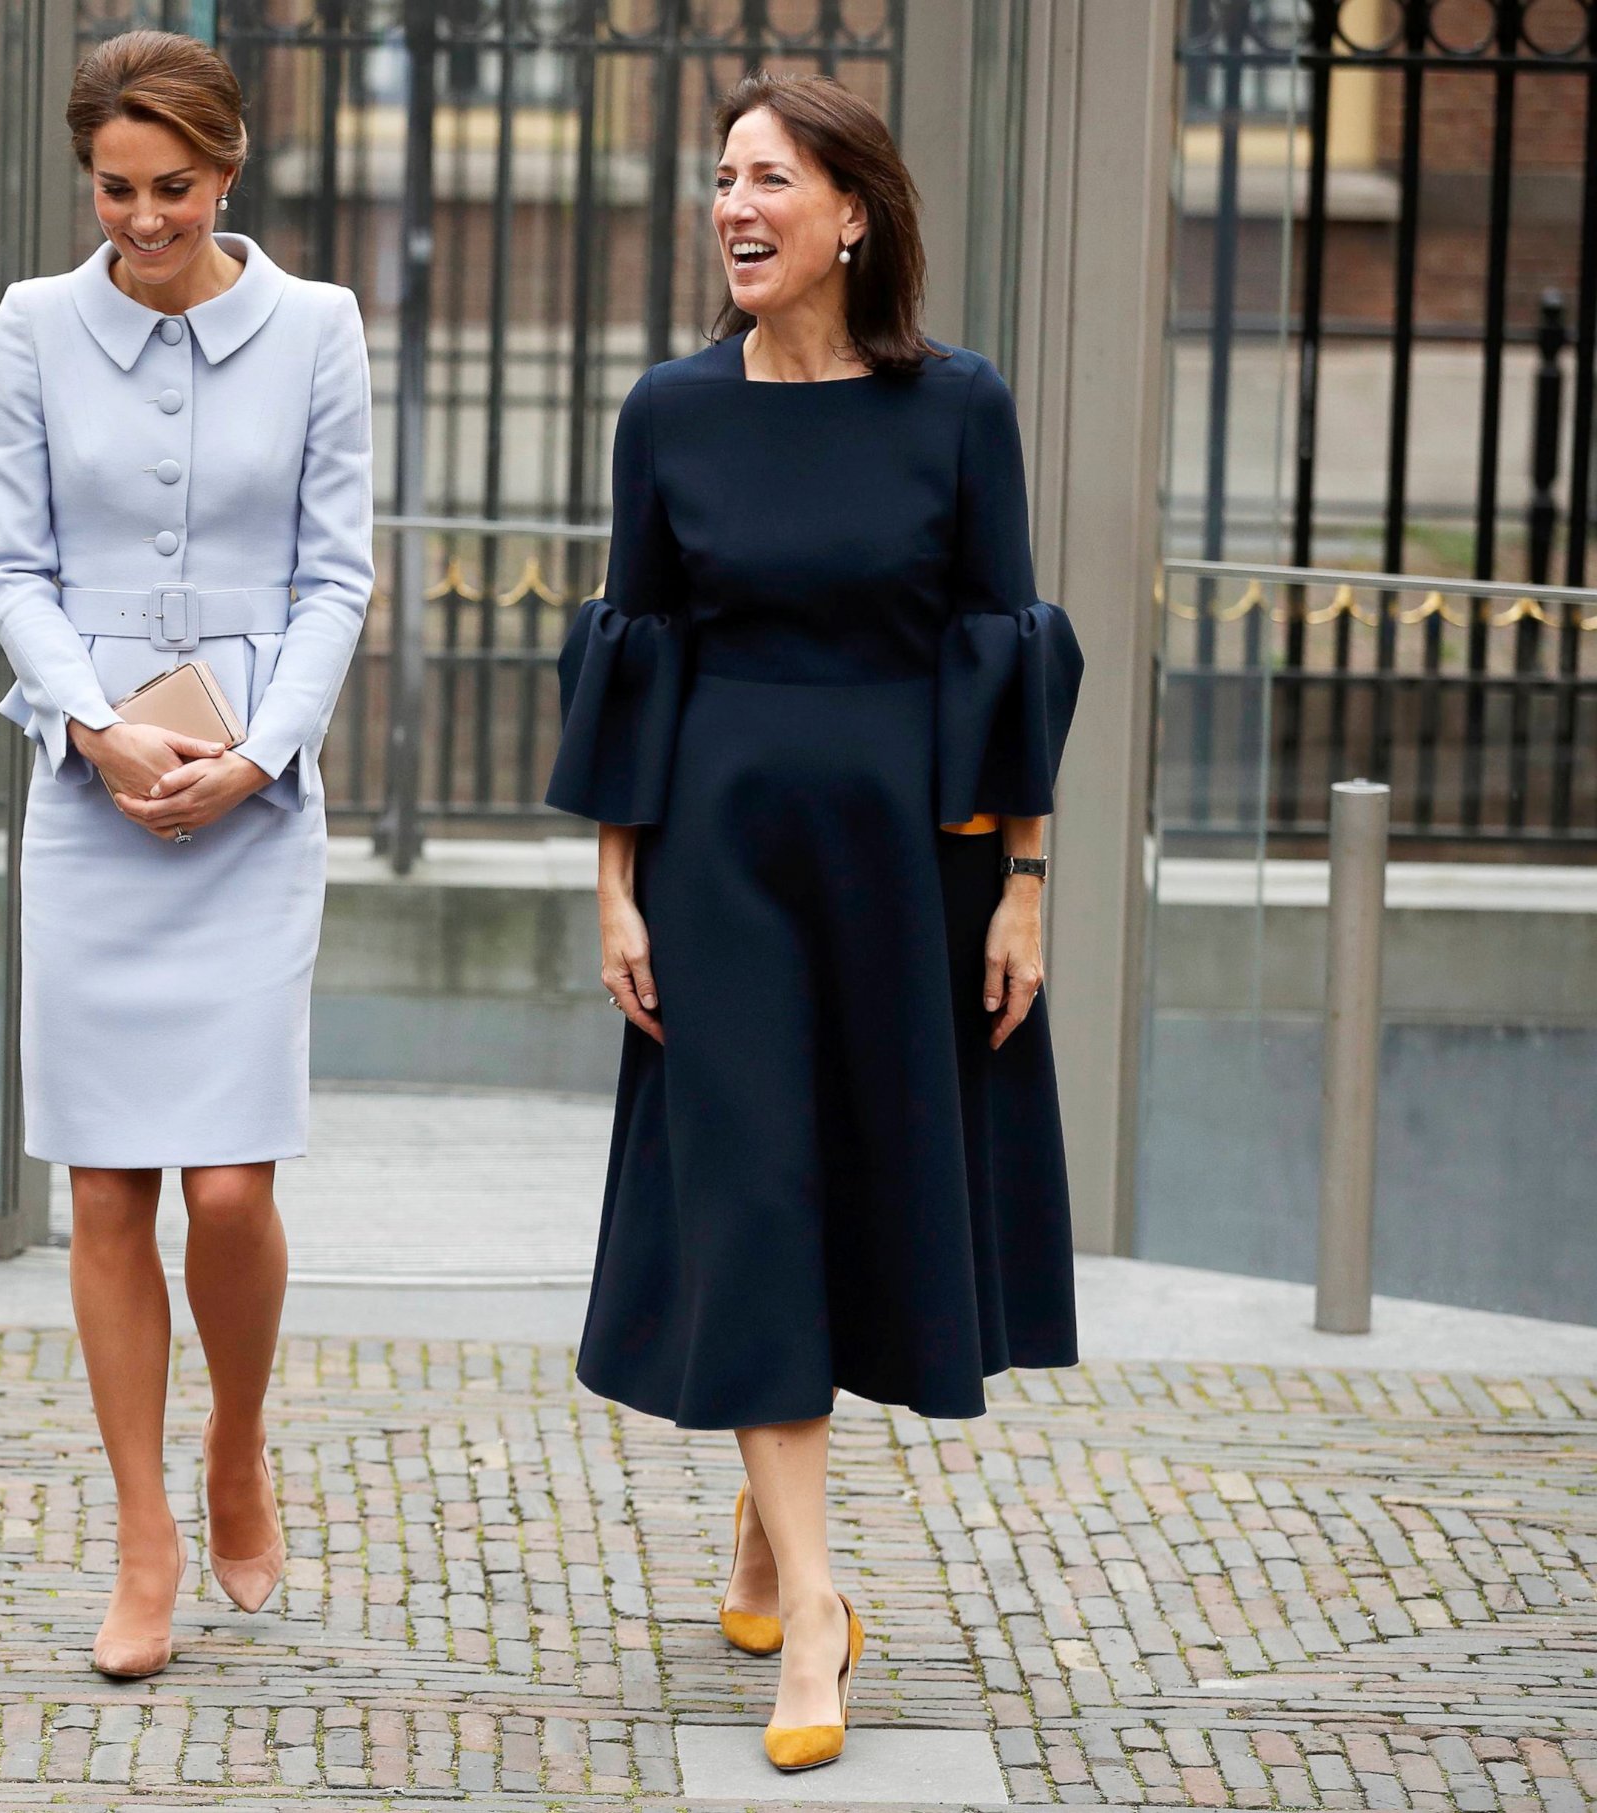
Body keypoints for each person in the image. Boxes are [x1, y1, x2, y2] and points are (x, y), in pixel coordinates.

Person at [546, 71, 1084, 1771]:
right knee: (759, 1196)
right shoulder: (671, 413)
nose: (736, 206)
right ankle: (821, 1622)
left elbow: (1006, 644)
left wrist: (1028, 886)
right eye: (721, 180)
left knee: (857, 1187)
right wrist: (617, 885)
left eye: (770, 178)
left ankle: (770, 1535)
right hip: (721, 867)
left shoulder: (957, 407)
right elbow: (637, 646)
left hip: (905, 870)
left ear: (852, 212)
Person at [0, 29, 373, 1680]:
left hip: (256, 798)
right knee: (108, 1186)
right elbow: (10, 559)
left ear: (230, 169)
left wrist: (263, 750)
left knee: (229, 1182)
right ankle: (144, 1527)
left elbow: (339, 573)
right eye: (115, 190)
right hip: (93, 797)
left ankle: (239, 1437)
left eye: (172, 189)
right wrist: (90, 728)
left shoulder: (322, 330)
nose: (140, 220)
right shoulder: (32, 323)